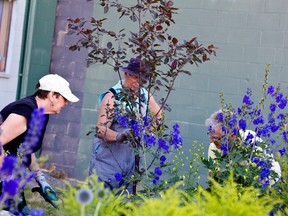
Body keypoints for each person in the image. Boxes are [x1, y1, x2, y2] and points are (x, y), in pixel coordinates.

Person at [0, 74, 79, 214]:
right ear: (52, 95)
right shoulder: (25, 111)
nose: (66, 103)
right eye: (64, 98)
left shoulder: (41, 114)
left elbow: (26, 149)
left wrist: (41, 179)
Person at [89, 58, 162, 194]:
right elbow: (100, 129)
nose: (137, 82)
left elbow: (159, 115)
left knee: (123, 205)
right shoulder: (112, 97)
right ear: (126, 74)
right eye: (134, 76)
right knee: (99, 205)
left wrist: (148, 132)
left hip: (130, 164)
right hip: (108, 160)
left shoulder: (145, 96)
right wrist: (120, 135)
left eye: (141, 78)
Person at [205, 109, 281, 185]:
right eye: (210, 136)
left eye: (215, 138)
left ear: (232, 135)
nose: (211, 141)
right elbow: (213, 177)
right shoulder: (213, 146)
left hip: (268, 183)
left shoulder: (251, 142)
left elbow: (259, 175)